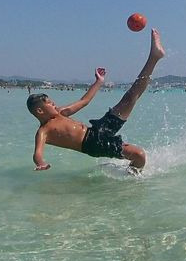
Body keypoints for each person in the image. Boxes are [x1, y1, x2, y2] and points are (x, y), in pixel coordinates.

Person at [26, 28, 165, 174]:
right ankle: (132, 179)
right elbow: (37, 154)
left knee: (130, 97)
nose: (54, 104)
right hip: (94, 145)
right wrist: (41, 163)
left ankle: (154, 57)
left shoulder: (61, 113)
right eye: (49, 103)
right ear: (40, 110)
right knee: (139, 155)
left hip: (97, 129)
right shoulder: (44, 131)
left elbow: (84, 101)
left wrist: (99, 82)